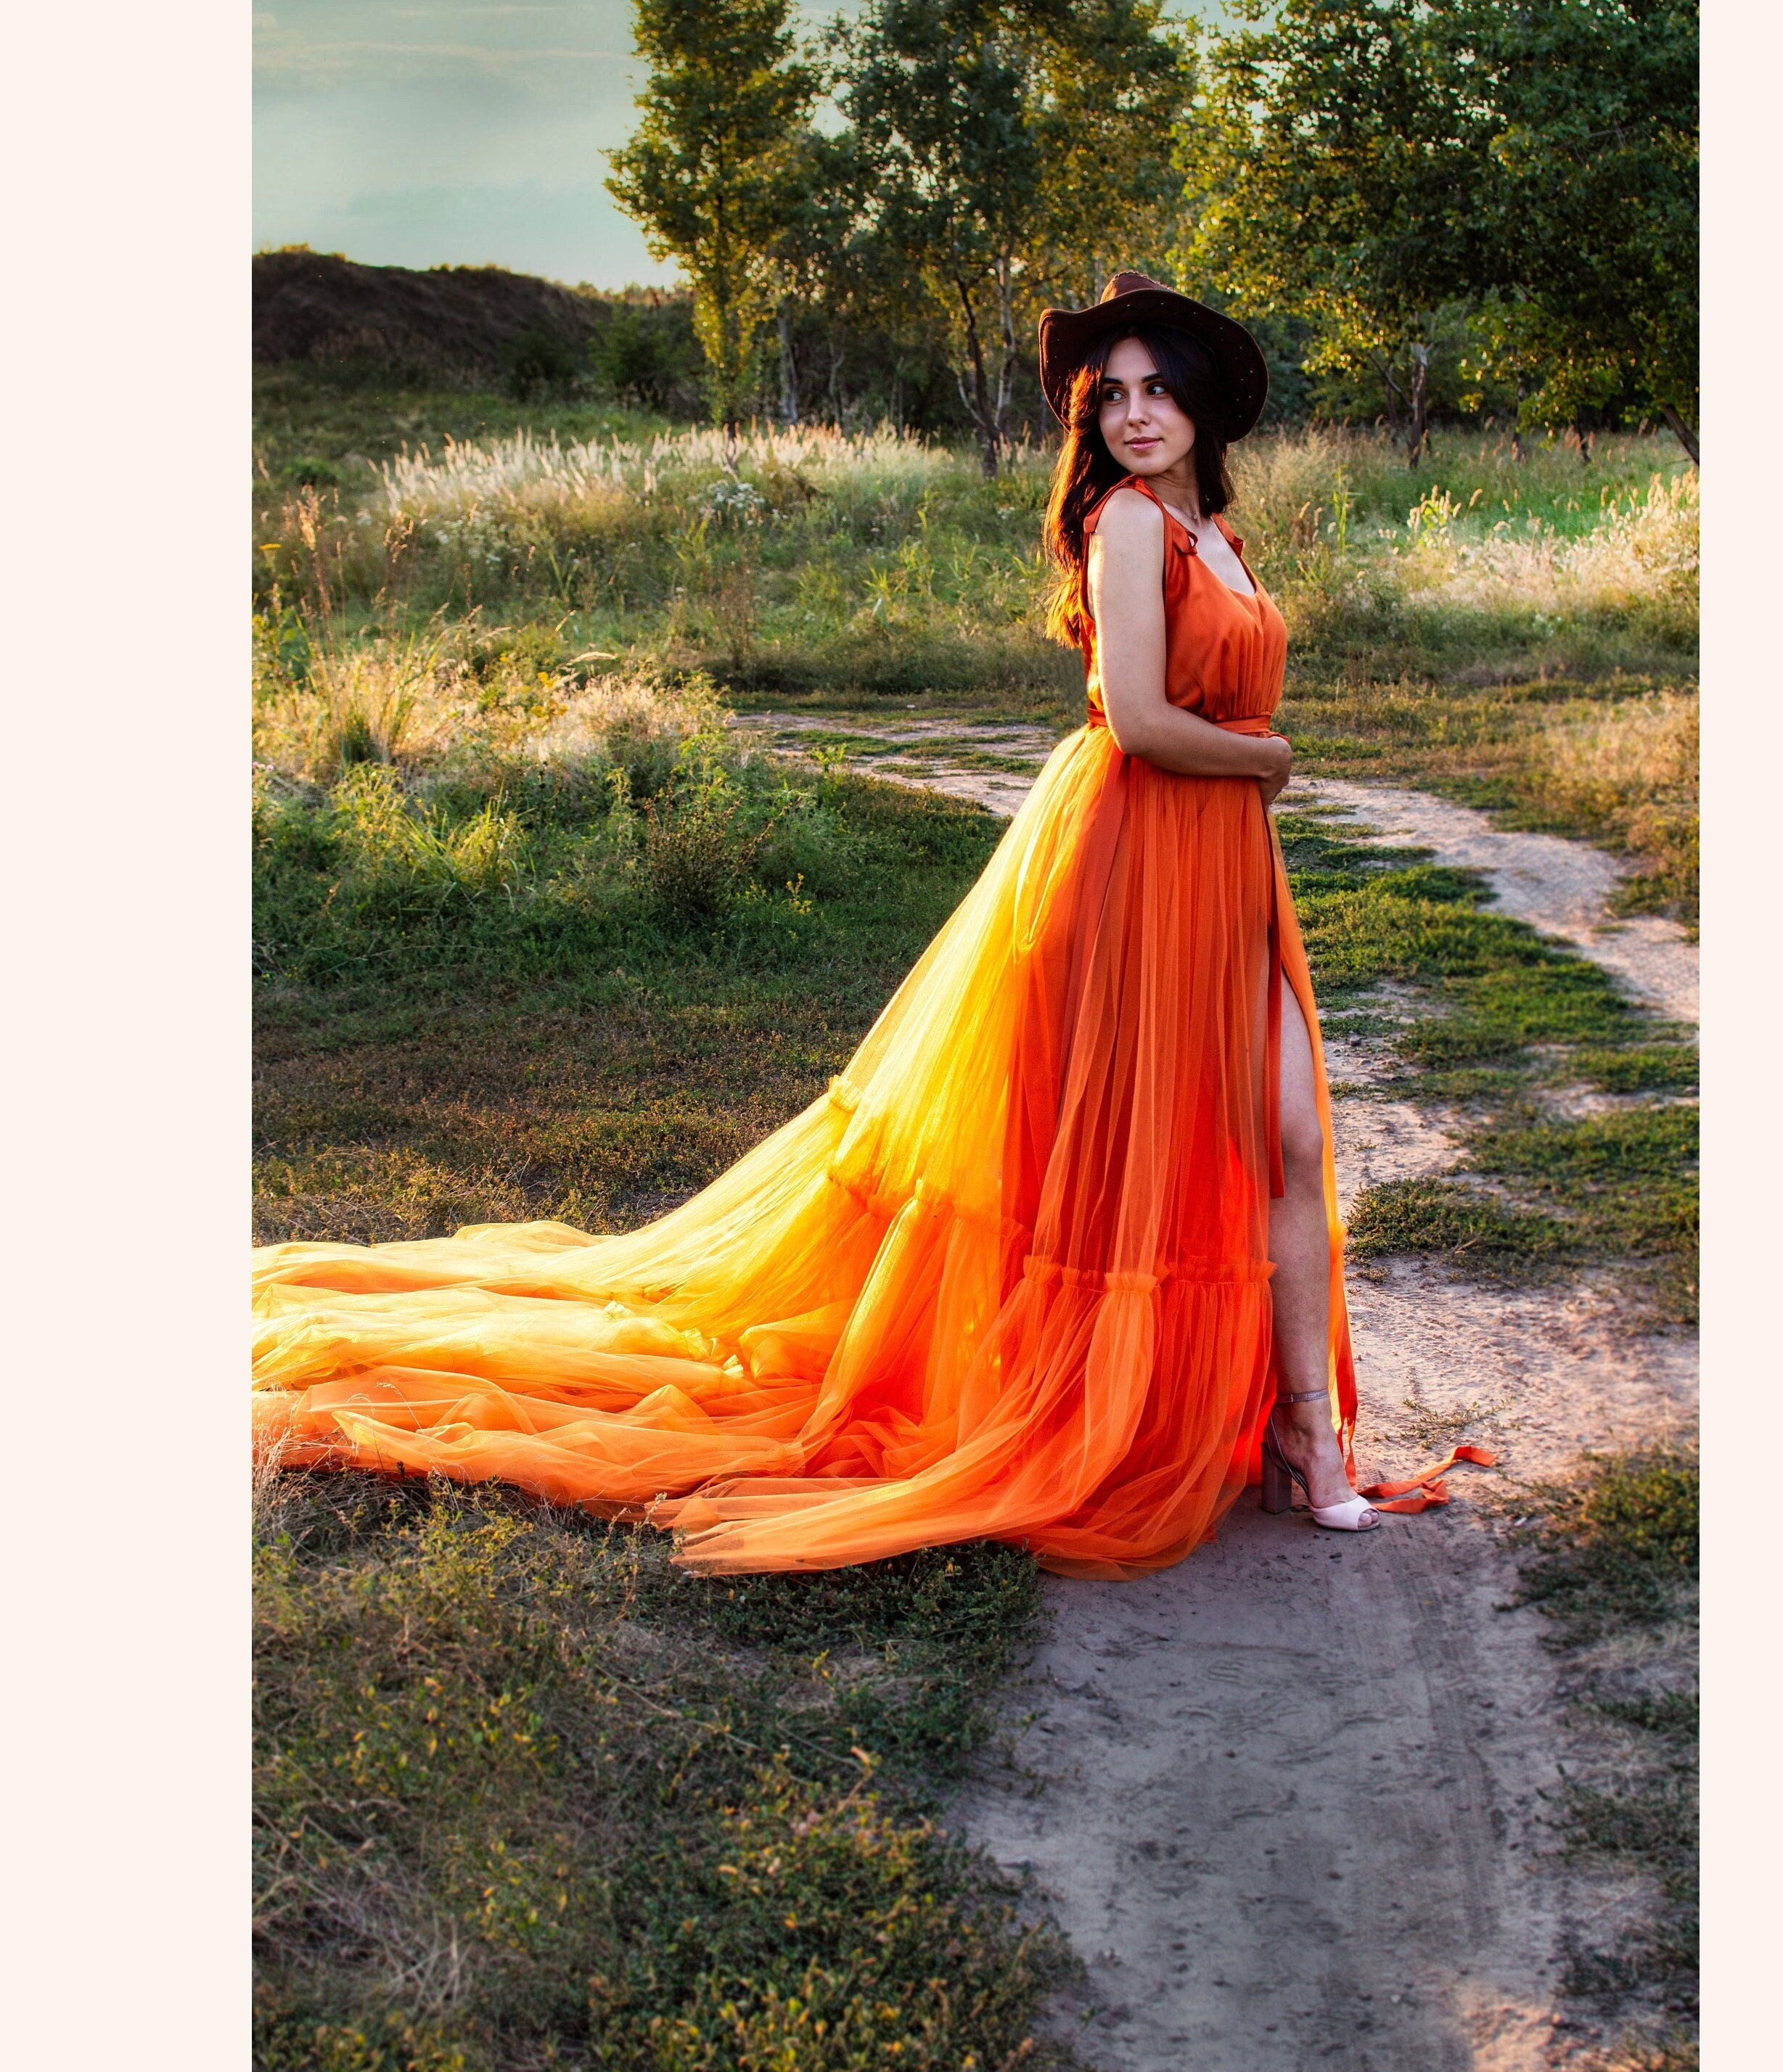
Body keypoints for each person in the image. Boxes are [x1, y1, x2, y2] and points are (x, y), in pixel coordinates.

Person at [253, 271, 1380, 1576]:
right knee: (1119, 1153)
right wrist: (1266, 762)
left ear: (1199, 404)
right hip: (1131, 859)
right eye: (1109, 398)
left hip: (1221, 871)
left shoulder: (1219, 536)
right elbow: (1136, 721)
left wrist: (1248, 770)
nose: (1133, 416)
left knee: (1287, 1139)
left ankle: (1304, 1430)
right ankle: (1098, 1404)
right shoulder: (1129, 526)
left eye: (1154, 391)